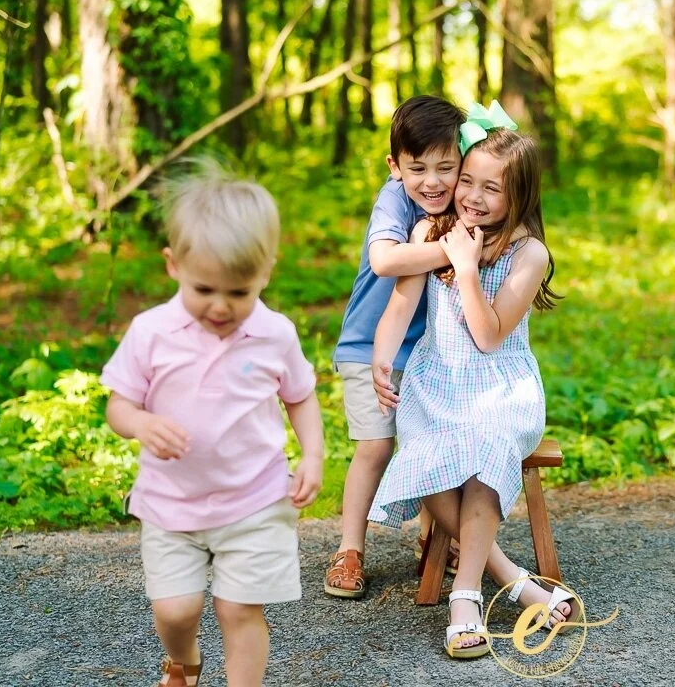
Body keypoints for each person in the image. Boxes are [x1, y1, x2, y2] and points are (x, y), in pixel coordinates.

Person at [100, 163, 324, 687]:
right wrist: (140, 422)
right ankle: (185, 659)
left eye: (239, 293)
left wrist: (312, 454)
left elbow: (301, 397)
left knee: (238, 609)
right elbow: (117, 406)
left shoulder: (274, 334)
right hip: (170, 502)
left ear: (266, 272)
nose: (221, 307)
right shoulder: (150, 332)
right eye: (205, 289)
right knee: (177, 610)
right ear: (173, 264)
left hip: (255, 498)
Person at [368, 108, 577, 660]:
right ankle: (514, 578)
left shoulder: (528, 254)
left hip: (500, 389)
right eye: (468, 181)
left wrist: (463, 268)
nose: (473, 197)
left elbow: (488, 337)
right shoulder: (428, 232)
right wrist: (382, 359)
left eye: (492, 188)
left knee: (483, 446)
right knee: (426, 451)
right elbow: (401, 302)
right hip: (436, 383)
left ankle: (465, 599)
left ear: (519, 197)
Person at [325, 95, 468, 599]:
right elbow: (386, 261)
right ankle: (349, 548)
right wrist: (455, 247)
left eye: (446, 167)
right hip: (370, 348)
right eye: (417, 168)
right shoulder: (394, 199)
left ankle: (438, 542)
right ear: (395, 166)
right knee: (376, 445)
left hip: (431, 353)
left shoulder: (464, 203)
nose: (432, 181)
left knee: (432, 448)